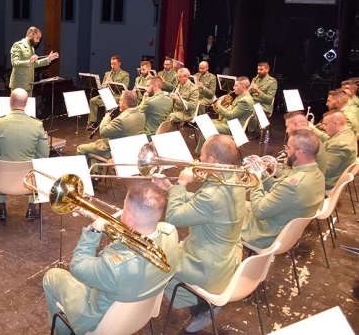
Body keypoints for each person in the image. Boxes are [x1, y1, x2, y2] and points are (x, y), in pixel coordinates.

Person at [43, 182, 178, 335]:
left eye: (124, 208)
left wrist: (93, 231)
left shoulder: (115, 269)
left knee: (52, 276)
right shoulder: (171, 234)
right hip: (139, 310)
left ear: (129, 217)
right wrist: (106, 224)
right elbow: (132, 242)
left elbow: (78, 266)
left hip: (100, 319)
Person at [155, 134, 246, 333]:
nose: (198, 160)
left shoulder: (213, 194)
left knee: (156, 263)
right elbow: (203, 204)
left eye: (202, 156)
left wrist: (180, 184)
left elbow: (173, 218)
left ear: (212, 161)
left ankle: (203, 301)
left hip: (207, 266)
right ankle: (202, 300)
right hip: (226, 257)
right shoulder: (234, 179)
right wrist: (171, 189)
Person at [242, 129, 325, 249]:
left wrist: (256, 179)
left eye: (288, 148)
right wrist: (263, 172)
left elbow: (259, 211)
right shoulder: (317, 175)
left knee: (222, 208)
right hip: (282, 227)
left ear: (300, 153)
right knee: (232, 202)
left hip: (264, 234)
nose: (286, 151)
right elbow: (278, 188)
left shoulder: (293, 186)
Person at [0, 88, 49, 221]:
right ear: (26, 103)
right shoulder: (37, 124)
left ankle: (2, 208)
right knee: (37, 170)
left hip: (4, 177)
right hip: (29, 178)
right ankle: (32, 208)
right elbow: (44, 155)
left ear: (10, 101)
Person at [77, 91, 144, 176]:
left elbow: (103, 132)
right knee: (95, 146)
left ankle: (83, 177)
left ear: (124, 103)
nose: (119, 103)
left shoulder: (121, 119)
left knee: (81, 149)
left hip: (113, 149)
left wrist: (106, 118)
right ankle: (97, 173)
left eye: (120, 101)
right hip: (129, 148)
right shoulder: (141, 115)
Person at [194, 76, 254, 155]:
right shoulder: (241, 97)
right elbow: (233, 112)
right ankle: (208, 152)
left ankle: (200, 155)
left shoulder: (245, 101)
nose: (233, 87)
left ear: (243, 87)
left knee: (206, 128)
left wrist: (218, 105)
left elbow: (231, 116)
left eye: (236, 85)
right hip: (228, 123)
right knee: (204, 123)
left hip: (233, 128)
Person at [311, 110, 357, 191]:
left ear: (335, 123)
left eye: (325, 124)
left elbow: (325, 170)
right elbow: (329, 140)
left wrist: (306, 160)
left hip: (325, 183)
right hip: (330, 178)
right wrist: (313, 129)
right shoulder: (347, 134)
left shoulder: (340, 145)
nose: (324, 128)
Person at [9, 26, 59, 95]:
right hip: (19, 84)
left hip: (29, 84)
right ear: (31, 35)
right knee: (19, 105)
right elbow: (14, 62)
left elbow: (34, 64)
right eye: (37, 38)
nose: (38, 41)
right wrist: (29, 61)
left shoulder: (31, 48)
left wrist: (48, 59)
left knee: (29, 105)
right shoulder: (18, 45)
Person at [86, 56, 130, 130]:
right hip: (107, 95)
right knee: (93, 101)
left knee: (108, 101)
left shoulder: (125, 74)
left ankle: (107, 124)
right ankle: (92, 122)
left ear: (119, 64)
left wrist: (111, 82)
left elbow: (124, 87)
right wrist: (104, 86)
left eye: (114, 64)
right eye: (111, 64)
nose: (112, 66)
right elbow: (103, 86)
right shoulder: (107, 74)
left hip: (117, 96)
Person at [284, 111, 327, 175]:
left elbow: (293, 173)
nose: (287, 130)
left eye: (287, 126)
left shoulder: (304, 141)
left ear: (295, 125)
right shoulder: (312, 138)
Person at [247, 62, 277, 133]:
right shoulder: (255, 79)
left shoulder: (272, 82)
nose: (258, 71)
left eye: (261, 69)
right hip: (253, 103)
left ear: (267, 70)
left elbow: (269, 99)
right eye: (258, 69)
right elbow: (250, 94)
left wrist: (257, 90)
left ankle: (253, 131)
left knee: (252, 109)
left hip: (264, 106)